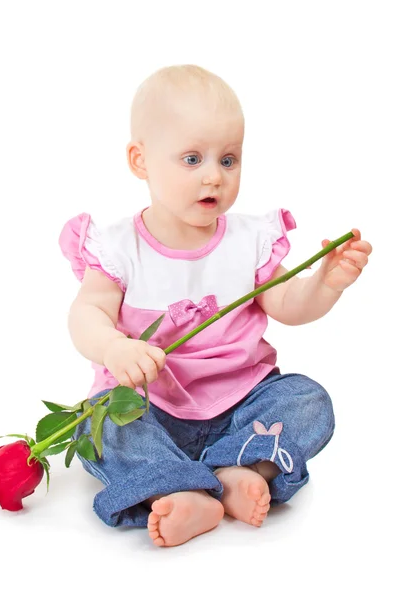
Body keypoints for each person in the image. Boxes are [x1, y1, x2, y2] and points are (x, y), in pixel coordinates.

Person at [58, 64, 372, 548]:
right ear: (140, 161)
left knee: (308, 399)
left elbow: (287, 304)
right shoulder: (118, 247)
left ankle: (231, 468)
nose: (213, 176)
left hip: (242, 402)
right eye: (191, 159)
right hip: (151, 407)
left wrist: (325, 283)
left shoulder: (250, 239)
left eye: (228, 160)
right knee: (98, 427)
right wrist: (113, 348)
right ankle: (188, 489)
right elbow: (87, 314)